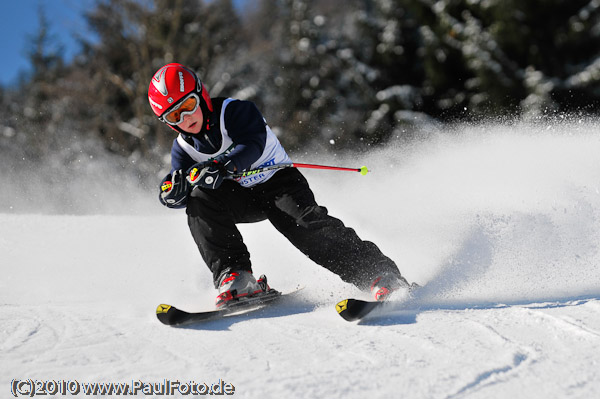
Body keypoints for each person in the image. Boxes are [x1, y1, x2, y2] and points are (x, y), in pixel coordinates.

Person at [148, 63, 411, 308]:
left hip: (279, 185)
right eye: (174, 115)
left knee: (307, 229)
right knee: (197, 202)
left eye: (189, 105)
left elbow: (252, 144)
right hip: (240, 198)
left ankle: (378, 273)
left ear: (201, 94)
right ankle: (236, 277)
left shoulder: (234, 111)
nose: (185, 118)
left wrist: (223, 165)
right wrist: (172, 192)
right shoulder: (182, 148)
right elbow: (179, 181)